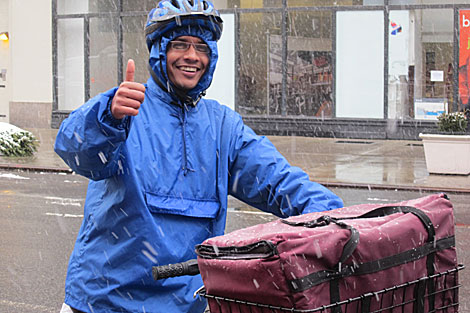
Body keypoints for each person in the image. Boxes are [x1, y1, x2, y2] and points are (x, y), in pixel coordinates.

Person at [55, 0, 343, 312]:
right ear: (158, 50)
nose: (192, 56)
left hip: (185, 304)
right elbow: (75, 150)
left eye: (202, 47)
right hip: (105, 302)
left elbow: (278, 181)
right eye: (179, 44)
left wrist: (338, 219)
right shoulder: (126, 108)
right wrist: (107, 116)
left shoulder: (222, 125)